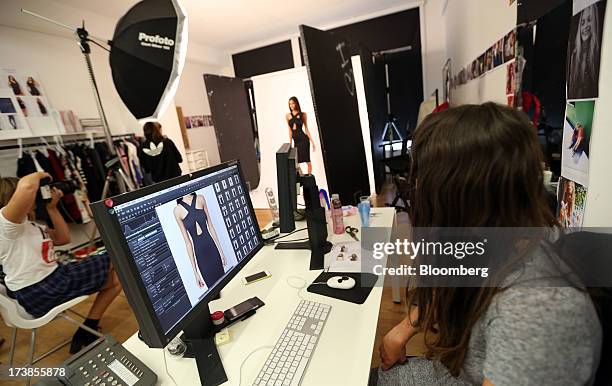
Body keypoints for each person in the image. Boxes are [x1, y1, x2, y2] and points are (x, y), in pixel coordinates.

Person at [373, 103, 601, 385]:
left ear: (464, 199)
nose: (418, 190)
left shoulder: (536, 310)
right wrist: (405, 327)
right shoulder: (507, 237)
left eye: (426, 183)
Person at [0, 172, 121, 354]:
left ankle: (87, 330)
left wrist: (52, 208)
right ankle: (87, 332)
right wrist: (43, 175)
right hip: (39, 290)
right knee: (116, 256)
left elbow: (63, 238)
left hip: (51, 282)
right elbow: (27, 186)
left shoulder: (31, 225)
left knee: (119, 277)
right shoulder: (5, 227)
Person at [174, 193, 227, 288]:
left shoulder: (200, 198)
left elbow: (211, 226)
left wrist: (221, 252)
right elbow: (187, 243)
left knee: (225, 285)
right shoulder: (177, 211)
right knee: (213, 291)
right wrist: (195, 272)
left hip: (212, 249)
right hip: (201, 256)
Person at [568, 4, 601, 99]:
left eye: (589, 20)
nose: (585, 26)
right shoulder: (574, 56)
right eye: (582, 22)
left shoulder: (596, 54)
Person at [286, 97, 316, 175]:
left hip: (304, 140)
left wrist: (312, 142)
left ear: (296, 103)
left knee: (308, 161)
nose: (291, 105)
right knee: (296, 163)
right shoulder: (288, 116)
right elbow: (290, 131)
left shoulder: (303, 114)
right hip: (296, 141)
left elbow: (306, 129)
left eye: (292, 103)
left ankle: (309, 178)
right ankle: (302, 177)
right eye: (290, 104)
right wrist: (290, 144)